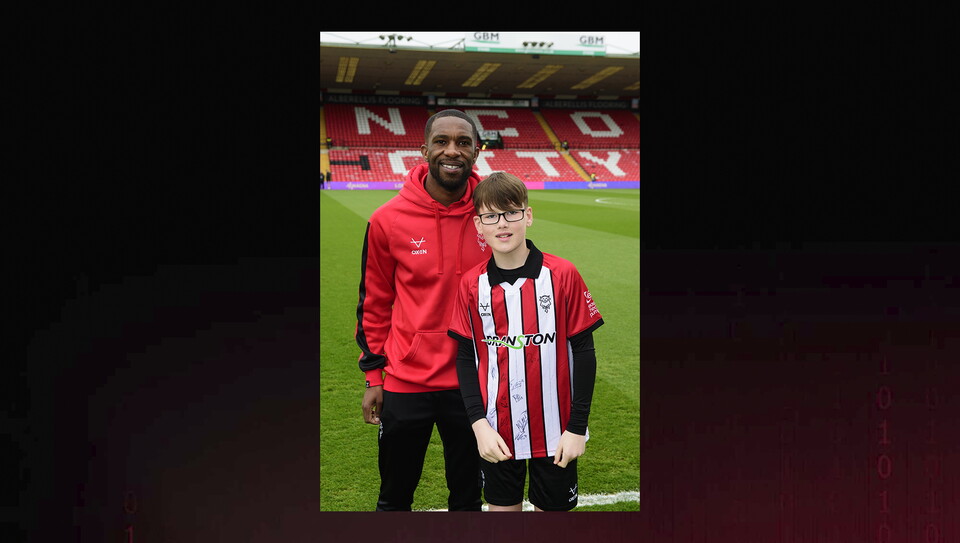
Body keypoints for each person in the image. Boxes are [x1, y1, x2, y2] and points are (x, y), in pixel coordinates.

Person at [355, 109, 488, 511]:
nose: (453, 151)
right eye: (441, 141)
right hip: (405, 380)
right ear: (424, 150)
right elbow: (374, 303)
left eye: (463, 142)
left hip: (474, 383)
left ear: (477, 151)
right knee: (394, 499)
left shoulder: (493, 215)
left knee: (468, 499)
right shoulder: (387, 220)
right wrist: (373, 376)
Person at [447, 171, 604, 511]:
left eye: (511, 212)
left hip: (557, 432)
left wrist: (577, 428)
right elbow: (465, 357)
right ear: (478, 225)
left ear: (528, 216)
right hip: (497, 431)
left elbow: (584, 352)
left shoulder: (562, 275)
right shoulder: (472, 285)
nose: (502, 223)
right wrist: (479, 426)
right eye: (491, 216)